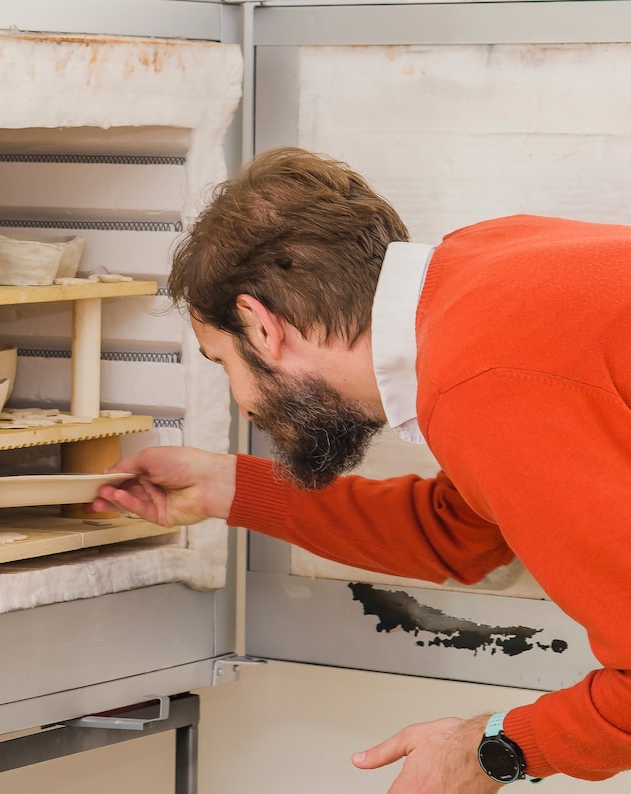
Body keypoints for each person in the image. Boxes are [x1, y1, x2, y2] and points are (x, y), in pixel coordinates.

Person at [93, 146, 631, 791]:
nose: (241, 398)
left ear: (260, 327)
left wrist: (490, 751)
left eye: (223, 362)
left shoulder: (483, 382)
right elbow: (459, 531)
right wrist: (225, 487)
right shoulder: (486, 266)